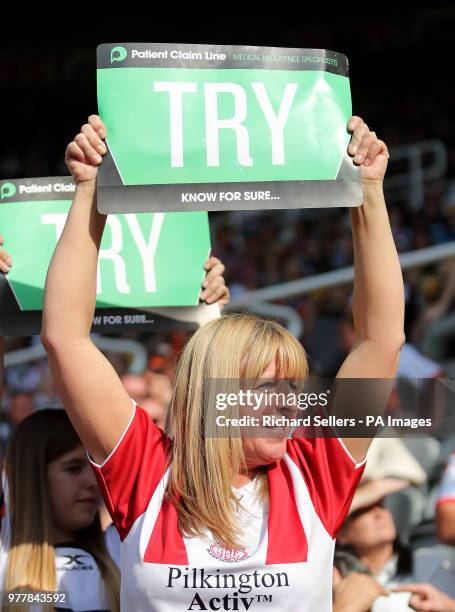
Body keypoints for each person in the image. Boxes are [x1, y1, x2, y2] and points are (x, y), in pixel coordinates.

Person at [41, 114, 404, 610]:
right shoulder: (145, 470)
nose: (289, 408)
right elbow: (65, 338)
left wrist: (368, 192)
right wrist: (89, 190)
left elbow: (380, 341)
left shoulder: (315, 471)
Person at [0, 409, 120, 612]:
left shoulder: (120, 551)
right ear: (32, 477)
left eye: (95, 469)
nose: (93, 482)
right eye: (73, 468)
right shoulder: (4, 561)